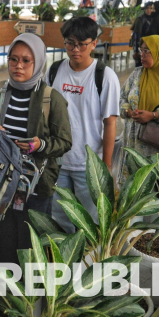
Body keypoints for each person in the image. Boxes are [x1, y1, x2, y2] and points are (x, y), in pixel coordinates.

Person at [0, 34, 72, 268]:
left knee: (30, 249)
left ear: (38, 62)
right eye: (14, 59)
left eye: (26, 61)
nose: (19, 66)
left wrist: (41, 145)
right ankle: (1, 298)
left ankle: (29, 302)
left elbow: (64, 141)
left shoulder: (51, 99)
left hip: (35, 190)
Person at [47, 17, 120, 234]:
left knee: (88, 224)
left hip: (89, 167)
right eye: (70, 43)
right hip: (59, 163)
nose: (75, 49)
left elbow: (110, 123)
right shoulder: (55, 71)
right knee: (59, 222)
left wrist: (105, 166)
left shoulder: (104, 76)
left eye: (81, 44)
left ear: (94, 43)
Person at [117, 34, 159, 181]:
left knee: (151, 183)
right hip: (131, 138)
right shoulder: (137, 74)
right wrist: (128, 111)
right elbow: (122, 96)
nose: (143, 55)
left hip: (154, 143)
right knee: (130, 184)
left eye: (147, 51)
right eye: (142, 50)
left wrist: (153, 115)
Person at [131, 2, 155, 66]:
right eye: (147, 8)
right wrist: (136, 50)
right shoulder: (140, 19)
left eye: (151, 8)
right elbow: (137, 36)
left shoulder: (154, 19)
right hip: (141, 47)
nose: (149, 10)